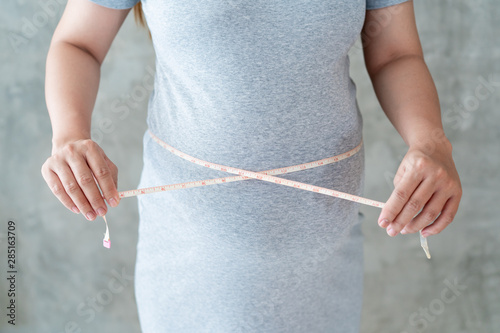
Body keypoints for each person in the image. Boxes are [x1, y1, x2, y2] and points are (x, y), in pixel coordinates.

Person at [41, 0, 462, 331]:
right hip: (190, 255)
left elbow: (396, 53)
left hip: (323, 256)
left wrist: (431, 142)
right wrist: (69, 135)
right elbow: (78, 43)